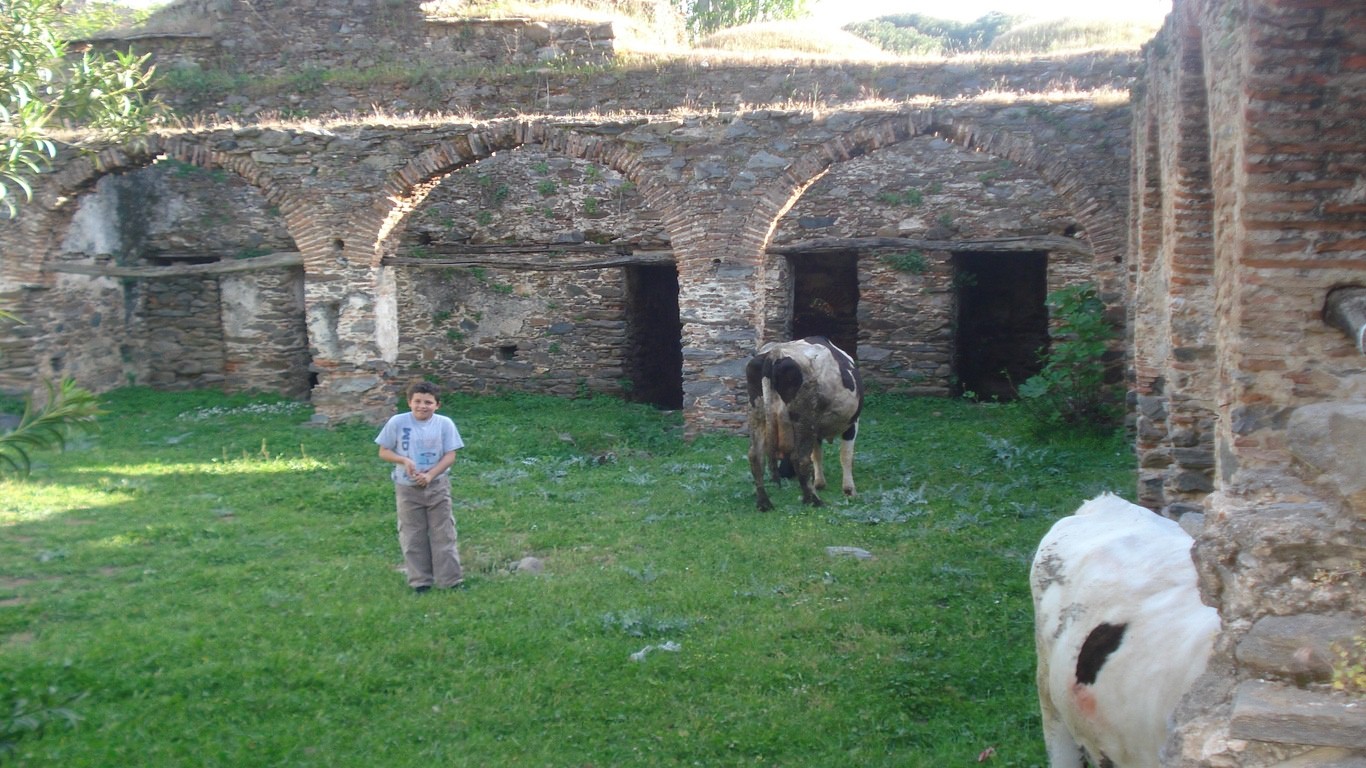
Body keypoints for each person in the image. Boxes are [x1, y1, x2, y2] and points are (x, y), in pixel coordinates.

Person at [375, 380, 465, 593]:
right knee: (412, 534)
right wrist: (403, 460)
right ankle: (420, 582)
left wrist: (431, 475)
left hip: (437, 486)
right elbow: (384, 451)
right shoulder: (398, 422)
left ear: (437, 405)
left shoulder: (444, 424)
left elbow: (450, 455)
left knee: (443, 532)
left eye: (428, 402)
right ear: (409, 402)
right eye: (417, 401)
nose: (422, 406)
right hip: (407, 487)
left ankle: (450, 580)